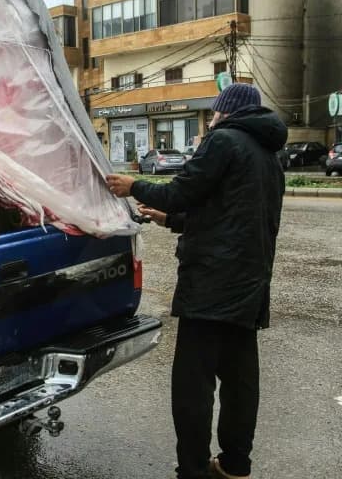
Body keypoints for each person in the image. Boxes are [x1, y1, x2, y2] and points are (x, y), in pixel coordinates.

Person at [105, 83, 287, 479]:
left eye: (215, 112)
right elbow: (227, 212)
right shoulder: (269, 154)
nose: (211, 119)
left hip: (210, 283)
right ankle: (236, 465)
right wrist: (168, 219)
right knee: (240, 380)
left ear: (225, 110)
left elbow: (182, 191)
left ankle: (193, 469)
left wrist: (133, 185)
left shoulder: (223, 140)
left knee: (193, 383)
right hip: (250, 283)